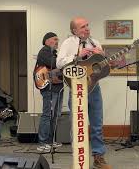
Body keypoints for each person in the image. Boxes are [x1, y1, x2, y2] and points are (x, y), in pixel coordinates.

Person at [57, 17, 111, 169]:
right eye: (82, 27)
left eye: (87, 25)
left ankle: (98, 158)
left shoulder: (95, 42)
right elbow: (59, 63)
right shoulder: (68, 43)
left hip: (94, 87)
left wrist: (103, 56)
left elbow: (103, 66)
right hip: (76, 88)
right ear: (74, 30)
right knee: (77, 125)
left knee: (97, 124)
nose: (87, 28)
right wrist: (77, 56)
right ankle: (78, 159)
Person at [36, 32, 64, 152]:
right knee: (47, 115)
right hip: (49, 88)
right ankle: (42, 143)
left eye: (58, 39)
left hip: (58, 87)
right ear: (47, 41)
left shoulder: (54, 53)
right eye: (55, 39)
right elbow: (54, 64)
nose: (57, 41)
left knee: (55, 115)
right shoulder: (44, 52)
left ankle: (50, 141)